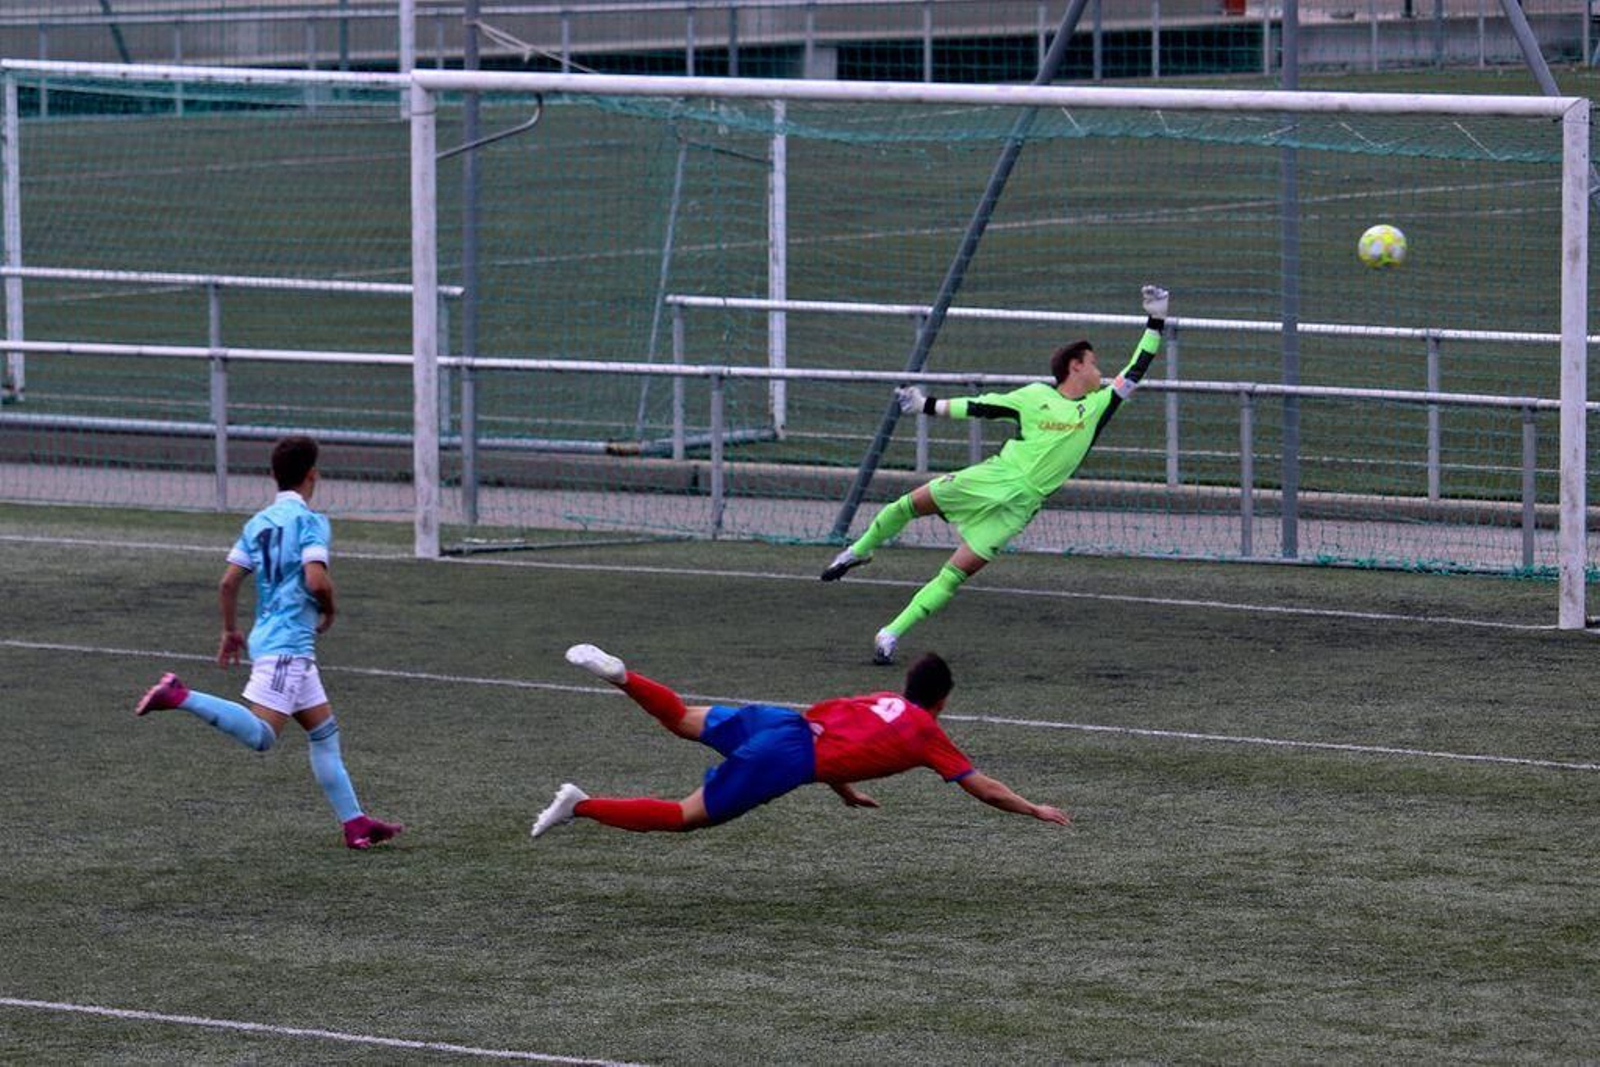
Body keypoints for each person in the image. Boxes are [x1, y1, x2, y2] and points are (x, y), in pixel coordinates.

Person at [821, 285, 1171, 664]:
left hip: (1018, 508)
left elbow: (1137, 368)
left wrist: (1156, 319)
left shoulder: (1100, 405)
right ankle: (859, 551)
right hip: (995, 477)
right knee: (907, 505)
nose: (1101, 371)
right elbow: (981, 406)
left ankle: (889, 634)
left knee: (954, 575)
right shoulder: (1034, 396)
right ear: (1076, 366)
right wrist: (926, 406)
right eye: (1095, 363)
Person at [133, 435, 403, 851]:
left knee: (324, 734)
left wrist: (230, 631)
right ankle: (178, 695)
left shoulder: (257, 523)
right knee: (262, 735)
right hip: (288, 645)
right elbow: (315, 577)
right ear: (313, 474)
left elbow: (228, 581)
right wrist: (329, 605)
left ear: (272, 476)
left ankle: (355, 823)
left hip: (273, 639)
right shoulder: (311, 521)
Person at [530, 643, 1070, 837]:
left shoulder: (884, 700)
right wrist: (1033, 809)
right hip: (786, 756)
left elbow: (842, 740)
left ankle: (623, 677)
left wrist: (845, 789)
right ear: (943, 701)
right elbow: (983, 788)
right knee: (684, 816)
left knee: (681, 719)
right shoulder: (928, 733)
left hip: (780, 722)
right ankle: (582, 806)